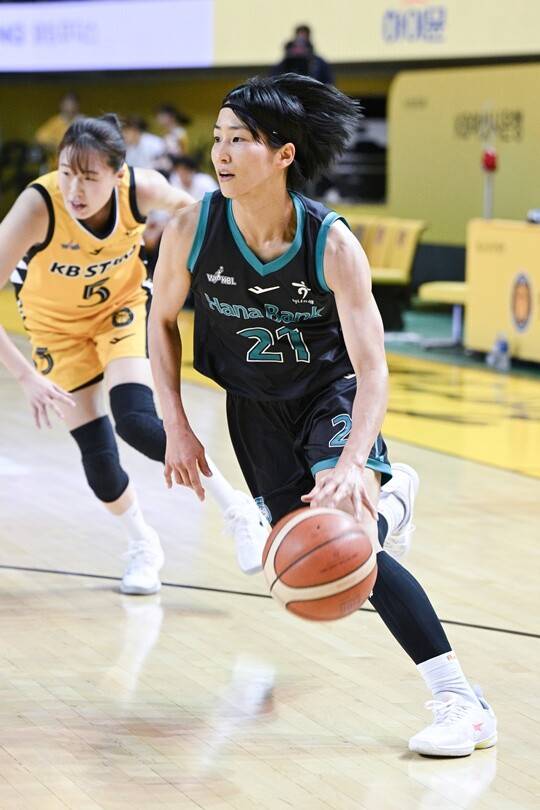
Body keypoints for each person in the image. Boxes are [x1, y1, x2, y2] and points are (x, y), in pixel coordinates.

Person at [148, 74, 497, 757]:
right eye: (217, 139)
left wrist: (352, 461)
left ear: (283, 154)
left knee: (352, 542)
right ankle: (395, 502)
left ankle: (462, 700)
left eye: (239, 140)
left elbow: (373, 370)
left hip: (329, 396)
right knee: (305, 556)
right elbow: (160, 324)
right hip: (253, 409)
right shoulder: (191, 229)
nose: (221, 153)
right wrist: (177, 427)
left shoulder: (331, 244)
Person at [0, 113, 268, 596]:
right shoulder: (38, 207)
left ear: (118, 175)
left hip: (119, 312)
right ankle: (144, 543)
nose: (75, 188)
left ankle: (238, 509)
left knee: (137, 422)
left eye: (89, 176)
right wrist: (25, 377)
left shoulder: (141, 190)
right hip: (55, 333)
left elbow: (200, 211)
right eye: (67, 172)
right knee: (100, 463)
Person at [35, 91, 82, 168]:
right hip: (56, 168)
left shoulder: (83, 123)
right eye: (67, 104)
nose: (70, 108)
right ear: (61, 105)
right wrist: (57, 146)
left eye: (73, 104)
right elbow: (40, 138)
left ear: (77, 106)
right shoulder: (55, 122)